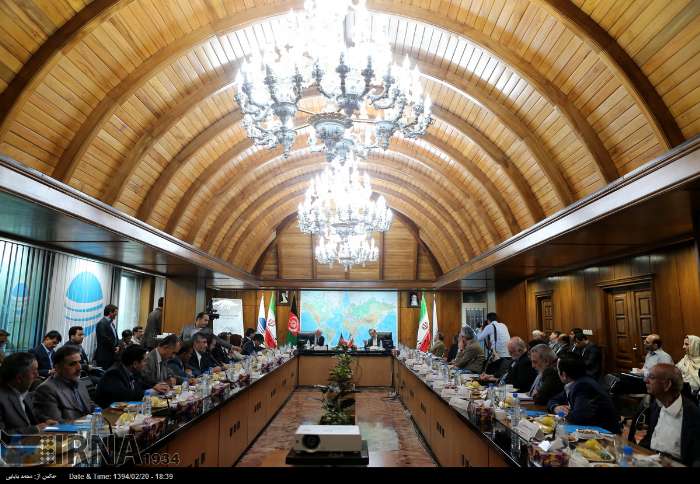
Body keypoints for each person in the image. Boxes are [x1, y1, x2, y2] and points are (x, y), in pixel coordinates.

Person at [639, 363, 700, 466]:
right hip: (652, 459)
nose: (646, 381)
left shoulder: (692, 414)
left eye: (652, 377)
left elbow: (696, 456)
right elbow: (649, 438)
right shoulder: (656, 405)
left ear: (667, 385)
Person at [547, 352, 620, 434]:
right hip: (591, 430)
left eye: (557, 370)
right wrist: (555, 407)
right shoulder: (578, 382)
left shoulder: (583, 386)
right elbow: (552, 400)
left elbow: (578, 418)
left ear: (564, 375)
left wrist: (561, 413)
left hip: (605, 435)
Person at [32, 346, 95, 422]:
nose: (79, 368)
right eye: (72, 364)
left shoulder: (80, 383)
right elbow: (57, 424)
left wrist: (100, 414)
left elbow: (90, 405)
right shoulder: (46, 390)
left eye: (80, 362)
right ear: (57, 368)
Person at [95, 345, 170, 408]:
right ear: (135, 364)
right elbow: (125, 395)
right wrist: (150, 392)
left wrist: (156, 386)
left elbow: (142, 383)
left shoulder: (133, 371)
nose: (146, 363)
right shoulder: (113, 373)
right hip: (109, 413)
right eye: (144, 361)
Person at [0, 353, 57, 434]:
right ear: (19, 378)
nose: (37, 375)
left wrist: (45, 420)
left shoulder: (23, 392)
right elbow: (2, 435)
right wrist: (35, 429)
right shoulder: (2, 399)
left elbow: (32, 415)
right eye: (34, 372)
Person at [95, 304, 120, 370]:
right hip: (104, 357)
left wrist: (118, 346)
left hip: (112, 355)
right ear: (110, 312)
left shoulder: (112, 324)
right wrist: (114, 348)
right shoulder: (101, 323)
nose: (116, 314)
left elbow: (115, 337)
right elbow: (104, 339)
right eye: (115, 312)